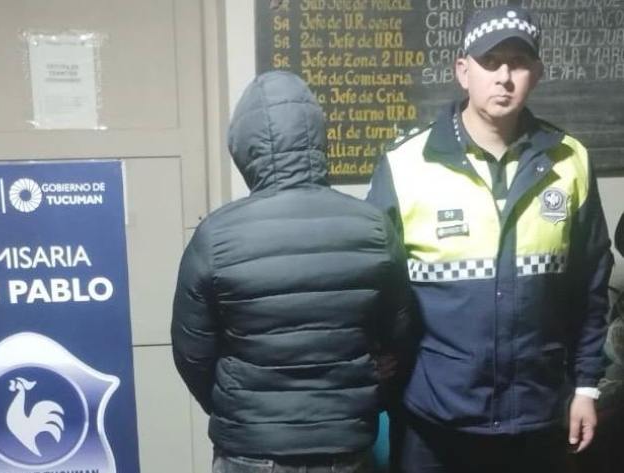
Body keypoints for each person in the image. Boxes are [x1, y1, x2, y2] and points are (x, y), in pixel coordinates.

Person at [366, 6, 614, 473]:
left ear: (536, 73)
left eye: (518, 63)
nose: (504, 77)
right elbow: (374, 283)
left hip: (538, 416)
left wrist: (586, 386)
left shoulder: (570, 161)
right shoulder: (406, 164)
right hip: (432, 419)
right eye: (490, 61)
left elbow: (590, 287)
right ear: (463, 71)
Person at [172, 70, 411, 473]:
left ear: (244, 148)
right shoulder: (373, 228)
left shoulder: (215, 235)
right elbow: (398, 339)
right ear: (317, 138)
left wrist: (237, 408)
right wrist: (365, 396)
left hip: (250, 449)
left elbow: (191, 355)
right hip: (345, 447)